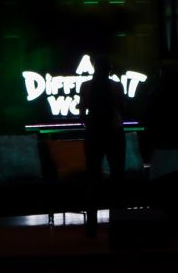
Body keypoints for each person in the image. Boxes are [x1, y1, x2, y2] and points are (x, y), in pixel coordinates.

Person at [78, 55, 126, 238]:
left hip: (94, 135)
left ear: (95, 67)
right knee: (118, 179)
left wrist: (89, 123)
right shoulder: (116, 86)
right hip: (114, 134)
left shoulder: (86, 86)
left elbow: (81, 112)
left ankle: (91, 229)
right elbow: (122, 109)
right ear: (110, 68)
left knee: (92, 179)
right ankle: (119, 225)